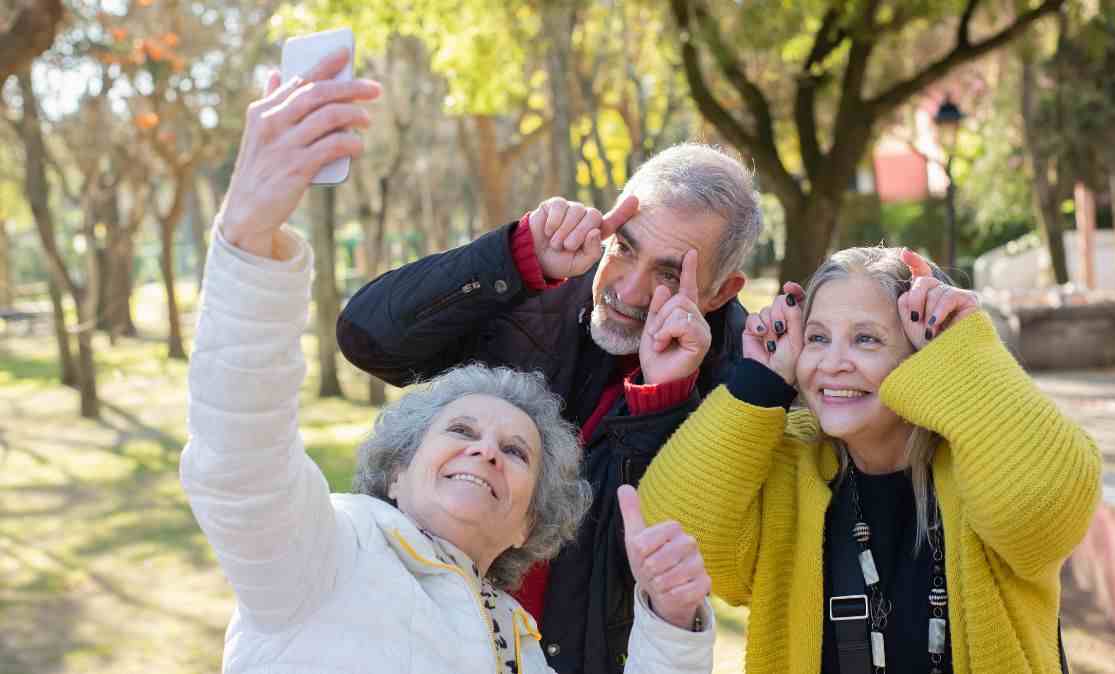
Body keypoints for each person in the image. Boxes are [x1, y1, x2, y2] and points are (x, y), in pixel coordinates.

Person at [181, 50, 716, 674]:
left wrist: (673, 625)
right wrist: (248, 241)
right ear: (397, 473)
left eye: (516, 452)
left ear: (529, 526)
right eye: (461, 431)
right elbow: (238, 463)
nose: (486, 451)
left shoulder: (518, 646)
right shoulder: (325, 555)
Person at [337, 134, 762, 669]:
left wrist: (662, 400)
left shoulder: (743, 385)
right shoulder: (535, 287)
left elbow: (654, 556)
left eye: (669, 274)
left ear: (721, 293)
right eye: (625, 247)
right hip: (422, 642)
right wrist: (515, 255)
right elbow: (368, 339)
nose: (628, 291)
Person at [638, 246, 1103, 674]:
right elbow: (674, 535)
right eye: (817, 338)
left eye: (866, 340)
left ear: (924, 355)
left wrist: (965, 351)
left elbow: (1043, 512)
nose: (833, 363)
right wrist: (758, 383)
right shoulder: (789, 463)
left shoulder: (983, 461)